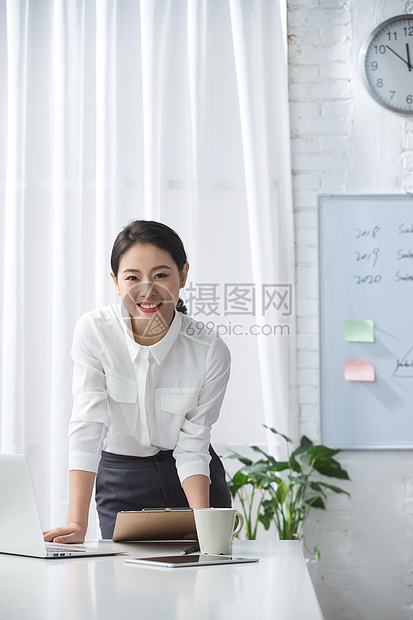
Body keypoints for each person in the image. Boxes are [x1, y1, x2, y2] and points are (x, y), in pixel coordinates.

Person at [44, 220, 232, 543]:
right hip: (122, 478)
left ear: (183, 275)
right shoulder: (94, 332)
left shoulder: (210, 351)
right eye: (133, 277)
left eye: (161, 275)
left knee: (205, 582)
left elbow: (193, 444)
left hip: (192, 480)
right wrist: (77, 523)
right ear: (116, 282)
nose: (148, 290)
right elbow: (88, 426)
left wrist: (203, 522)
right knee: (124, 585)